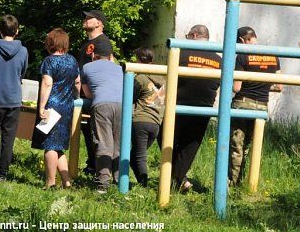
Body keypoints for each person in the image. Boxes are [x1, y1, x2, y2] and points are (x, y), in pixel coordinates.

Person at [229, 26, 282, 186]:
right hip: (262, 106)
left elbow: (236, 87)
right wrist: (263, 87)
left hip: (242, 104)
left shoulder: (243, 55)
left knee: (236, 146)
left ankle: (232, 183)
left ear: (241, 40)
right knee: (249, 147)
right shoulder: (273, 55)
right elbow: (279, 86)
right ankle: (249, 185)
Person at [172, 25, 221, 191]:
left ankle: (176, 177)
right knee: (191, 145)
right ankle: (178, 177)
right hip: (204, 108)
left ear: (193, 35)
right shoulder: (218, 59)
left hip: (179, 104)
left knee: (165, 136)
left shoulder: (182, 53)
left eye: (187, 36)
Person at [31, 28, 81, 189]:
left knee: (50, 145)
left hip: (52, 106)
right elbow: (77, 82)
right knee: (59, 146)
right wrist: (78, 99)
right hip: (67, 106)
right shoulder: (73, 60)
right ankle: (67, 181)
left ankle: (50, 182)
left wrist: (41, 107)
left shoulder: (49, 61)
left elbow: (47, 83)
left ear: (50, 43)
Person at [0, 15, 28, 182]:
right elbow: (22, 72)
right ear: (16, 31)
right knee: (8, 138)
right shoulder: (23, 51)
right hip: (14, 99)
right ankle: (3, 174)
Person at [81, 39, 123, 193]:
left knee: (103, 143)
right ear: (110, 55)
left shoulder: (87, 67)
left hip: (101, 105)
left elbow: (88, 93)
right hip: (122, 105)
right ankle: (120, 181)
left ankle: (103, 183)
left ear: (94, 54)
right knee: (118, 145)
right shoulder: (120, 68)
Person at [77, 10, 112, 175]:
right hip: (84, 94)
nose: (85, 19)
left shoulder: (103, 43)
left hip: (96, 95)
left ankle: (101, 169)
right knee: (88, 133)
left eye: (89, 18)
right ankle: (91, 164)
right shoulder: (85, 44)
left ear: (99, 23)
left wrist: (92, 92)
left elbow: (104, 70)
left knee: (97, 133)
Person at [130, 47, 165, 188]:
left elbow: (129, 97)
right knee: (137, 156)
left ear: (138, 60)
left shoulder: (140, 78)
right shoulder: (163, 78)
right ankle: (142, 183)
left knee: (138, 156)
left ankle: (144, 185)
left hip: (140, 119)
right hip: (156, 123)